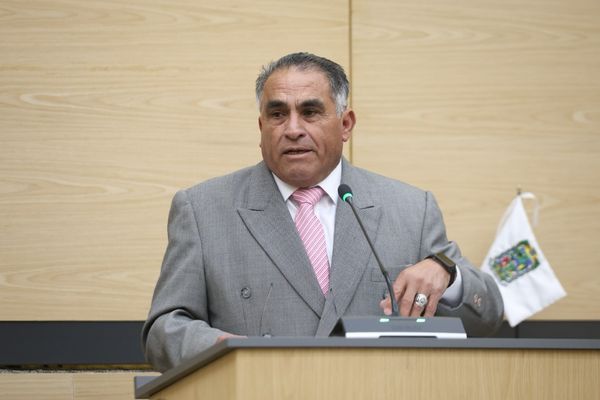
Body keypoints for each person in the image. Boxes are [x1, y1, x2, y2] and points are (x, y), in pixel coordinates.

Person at [142, 52, 504, 372]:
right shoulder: (203, 210)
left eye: (310, 112)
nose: (293, 129)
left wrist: (448, 277)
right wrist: (223, 351)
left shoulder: (410, 209)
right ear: (261, 127)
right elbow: (163, 330)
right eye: (277, 114)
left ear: (346, 125)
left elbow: (488, 316)